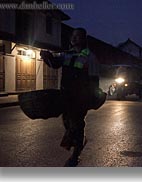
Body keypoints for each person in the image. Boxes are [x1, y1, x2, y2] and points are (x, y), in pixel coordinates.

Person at [40, 28, 100, 167]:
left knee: (76, 124)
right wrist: (46, 57)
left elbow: (94, 80)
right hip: (66, 96)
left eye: (77, 36)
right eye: (73, 36)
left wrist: (91, 98)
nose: (74, 38)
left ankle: (76, 153)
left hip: (81, 98)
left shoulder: (90, 57)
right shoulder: (66, 55)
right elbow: (54, 64)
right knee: (67, 122)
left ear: (84, 39)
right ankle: (79, 141)